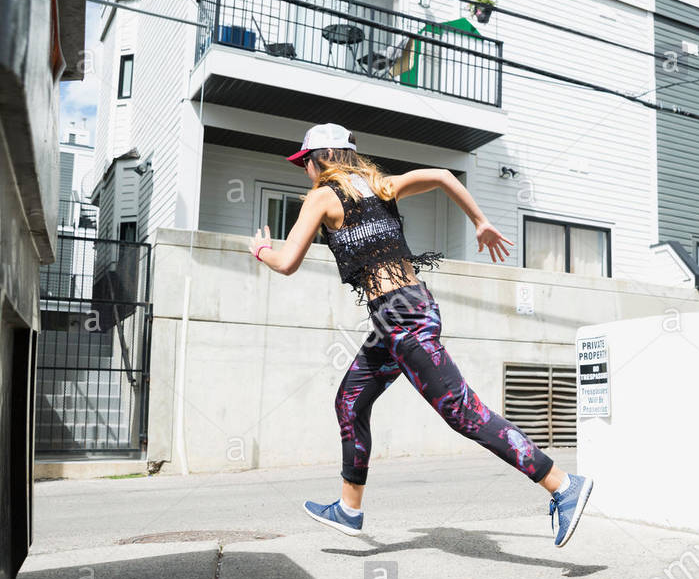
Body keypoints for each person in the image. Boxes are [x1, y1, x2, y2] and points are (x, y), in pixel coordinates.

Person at [248, 123, 594, 547]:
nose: (305, 170)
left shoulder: (322, 195)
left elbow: (286, 263)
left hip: (403, 320)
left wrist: (260, 250)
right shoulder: (382, 186)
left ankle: (562, 485)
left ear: (323, 159)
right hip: (400, 315)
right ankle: (349, 508)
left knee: (464, 413)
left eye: (306, 162)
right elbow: (445, 176)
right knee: (350, 400)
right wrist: (479, 222)